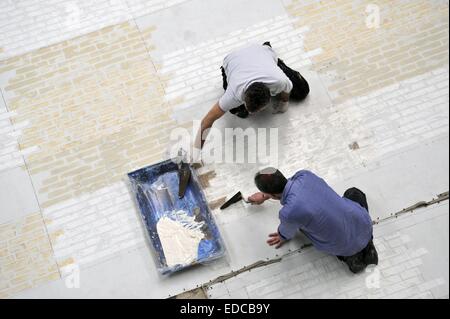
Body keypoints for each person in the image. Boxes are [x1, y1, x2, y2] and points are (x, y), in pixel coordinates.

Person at [248, 168, 378, 274]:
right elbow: (288, 184)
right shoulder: (305, 175)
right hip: (364, 226)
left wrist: (281, 236)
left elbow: (286, 233)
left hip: (342, 247)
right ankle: (369, 245)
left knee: (302, 224)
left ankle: (352, 259)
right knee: (353, 193)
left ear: (273, 195)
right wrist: (266, 195)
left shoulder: (288, 213)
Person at [195, 42, 309, 149]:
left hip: (262, 52)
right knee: (238, 111)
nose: (252, 113)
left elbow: (287, 87)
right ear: (243, 98)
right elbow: (207, 121)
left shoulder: (279, 81)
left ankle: (270, 54)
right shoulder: (233, 94)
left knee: (302, 90)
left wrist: (284, 102)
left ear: (270, 95)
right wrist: (196, 150)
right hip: (232, 59)